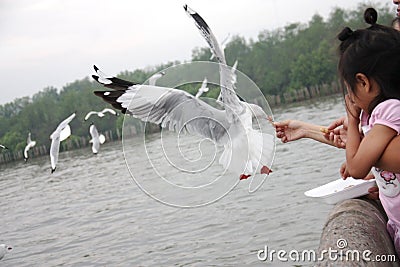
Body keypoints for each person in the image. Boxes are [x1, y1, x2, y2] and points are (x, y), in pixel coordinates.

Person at [336, 9, 400, 254]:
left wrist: (352, 121)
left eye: (349, 89)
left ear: (363, 82)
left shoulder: (390, 110)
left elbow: (356, 166)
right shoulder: (378, 115)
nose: (349, 98)